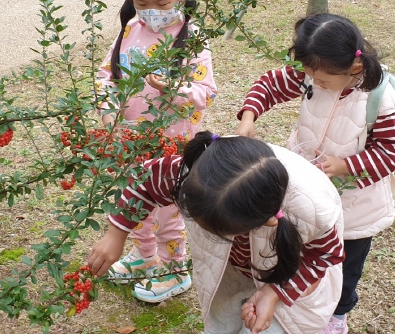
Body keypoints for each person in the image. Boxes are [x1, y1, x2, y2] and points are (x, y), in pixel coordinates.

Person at [235, 13, 395, 334]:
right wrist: (249, 117)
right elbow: (270, 84)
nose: (315, 82)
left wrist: (344, 166)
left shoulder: (379, 101)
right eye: (309, 75)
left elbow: (390, 153)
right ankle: (295, 295)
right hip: (307, 189)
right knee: (305, 249)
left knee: (344, 265)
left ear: (354, 68)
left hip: (354, 208)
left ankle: (337, 315)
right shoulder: (315, 70)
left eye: (323, 81)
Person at [88, 132, 345, 334]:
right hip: (226, 267)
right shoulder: (197, 173)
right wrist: (117, 233)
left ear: (267, 222)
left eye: (217, 231)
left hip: (288, 274)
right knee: (221, 319)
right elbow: (143, 180)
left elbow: (325, 256)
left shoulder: (312, 210)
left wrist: (274, 293)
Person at [95, 0, 218, 303]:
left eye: (161, 4)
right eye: (142, 3)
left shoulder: (191, 40)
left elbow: (206, 91)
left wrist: (176, 89)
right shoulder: (130, 29)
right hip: (129, 141)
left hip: (171, 145)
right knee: (132, 199)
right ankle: (145, 257)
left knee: (167, 208)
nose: (151, 13)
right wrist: (109, 114)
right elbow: (106, 76)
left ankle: (174, 268)